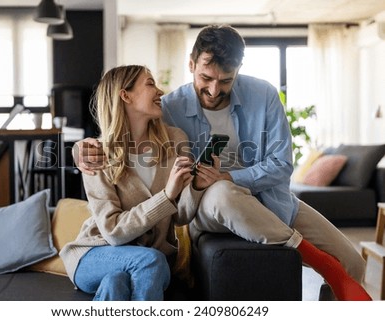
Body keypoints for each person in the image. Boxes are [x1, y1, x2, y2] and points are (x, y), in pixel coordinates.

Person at [73, 25, 371, 301]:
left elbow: (281, 164)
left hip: (269, 201)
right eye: (206, 78)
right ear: (191, 65)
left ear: (238, 71)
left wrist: (228, 176)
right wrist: (81, 149)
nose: (215, 90)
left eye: (225, 80)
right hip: (212, 205)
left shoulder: (263, 95)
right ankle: (313, 256)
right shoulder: (169, 109)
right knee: (224, 195)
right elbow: (123, 132)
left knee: (353, 263)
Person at [59, 65, 218, 301]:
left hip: (150, 258)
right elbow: (113, 232)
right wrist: (166, 195)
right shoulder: (96, 155)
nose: (160, 91)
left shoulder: (175, 140)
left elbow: (180, 216)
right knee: (150, 261)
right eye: (150, 83)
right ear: (126, 95)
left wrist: (196, 188)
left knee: (117, 282)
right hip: (96, 254)